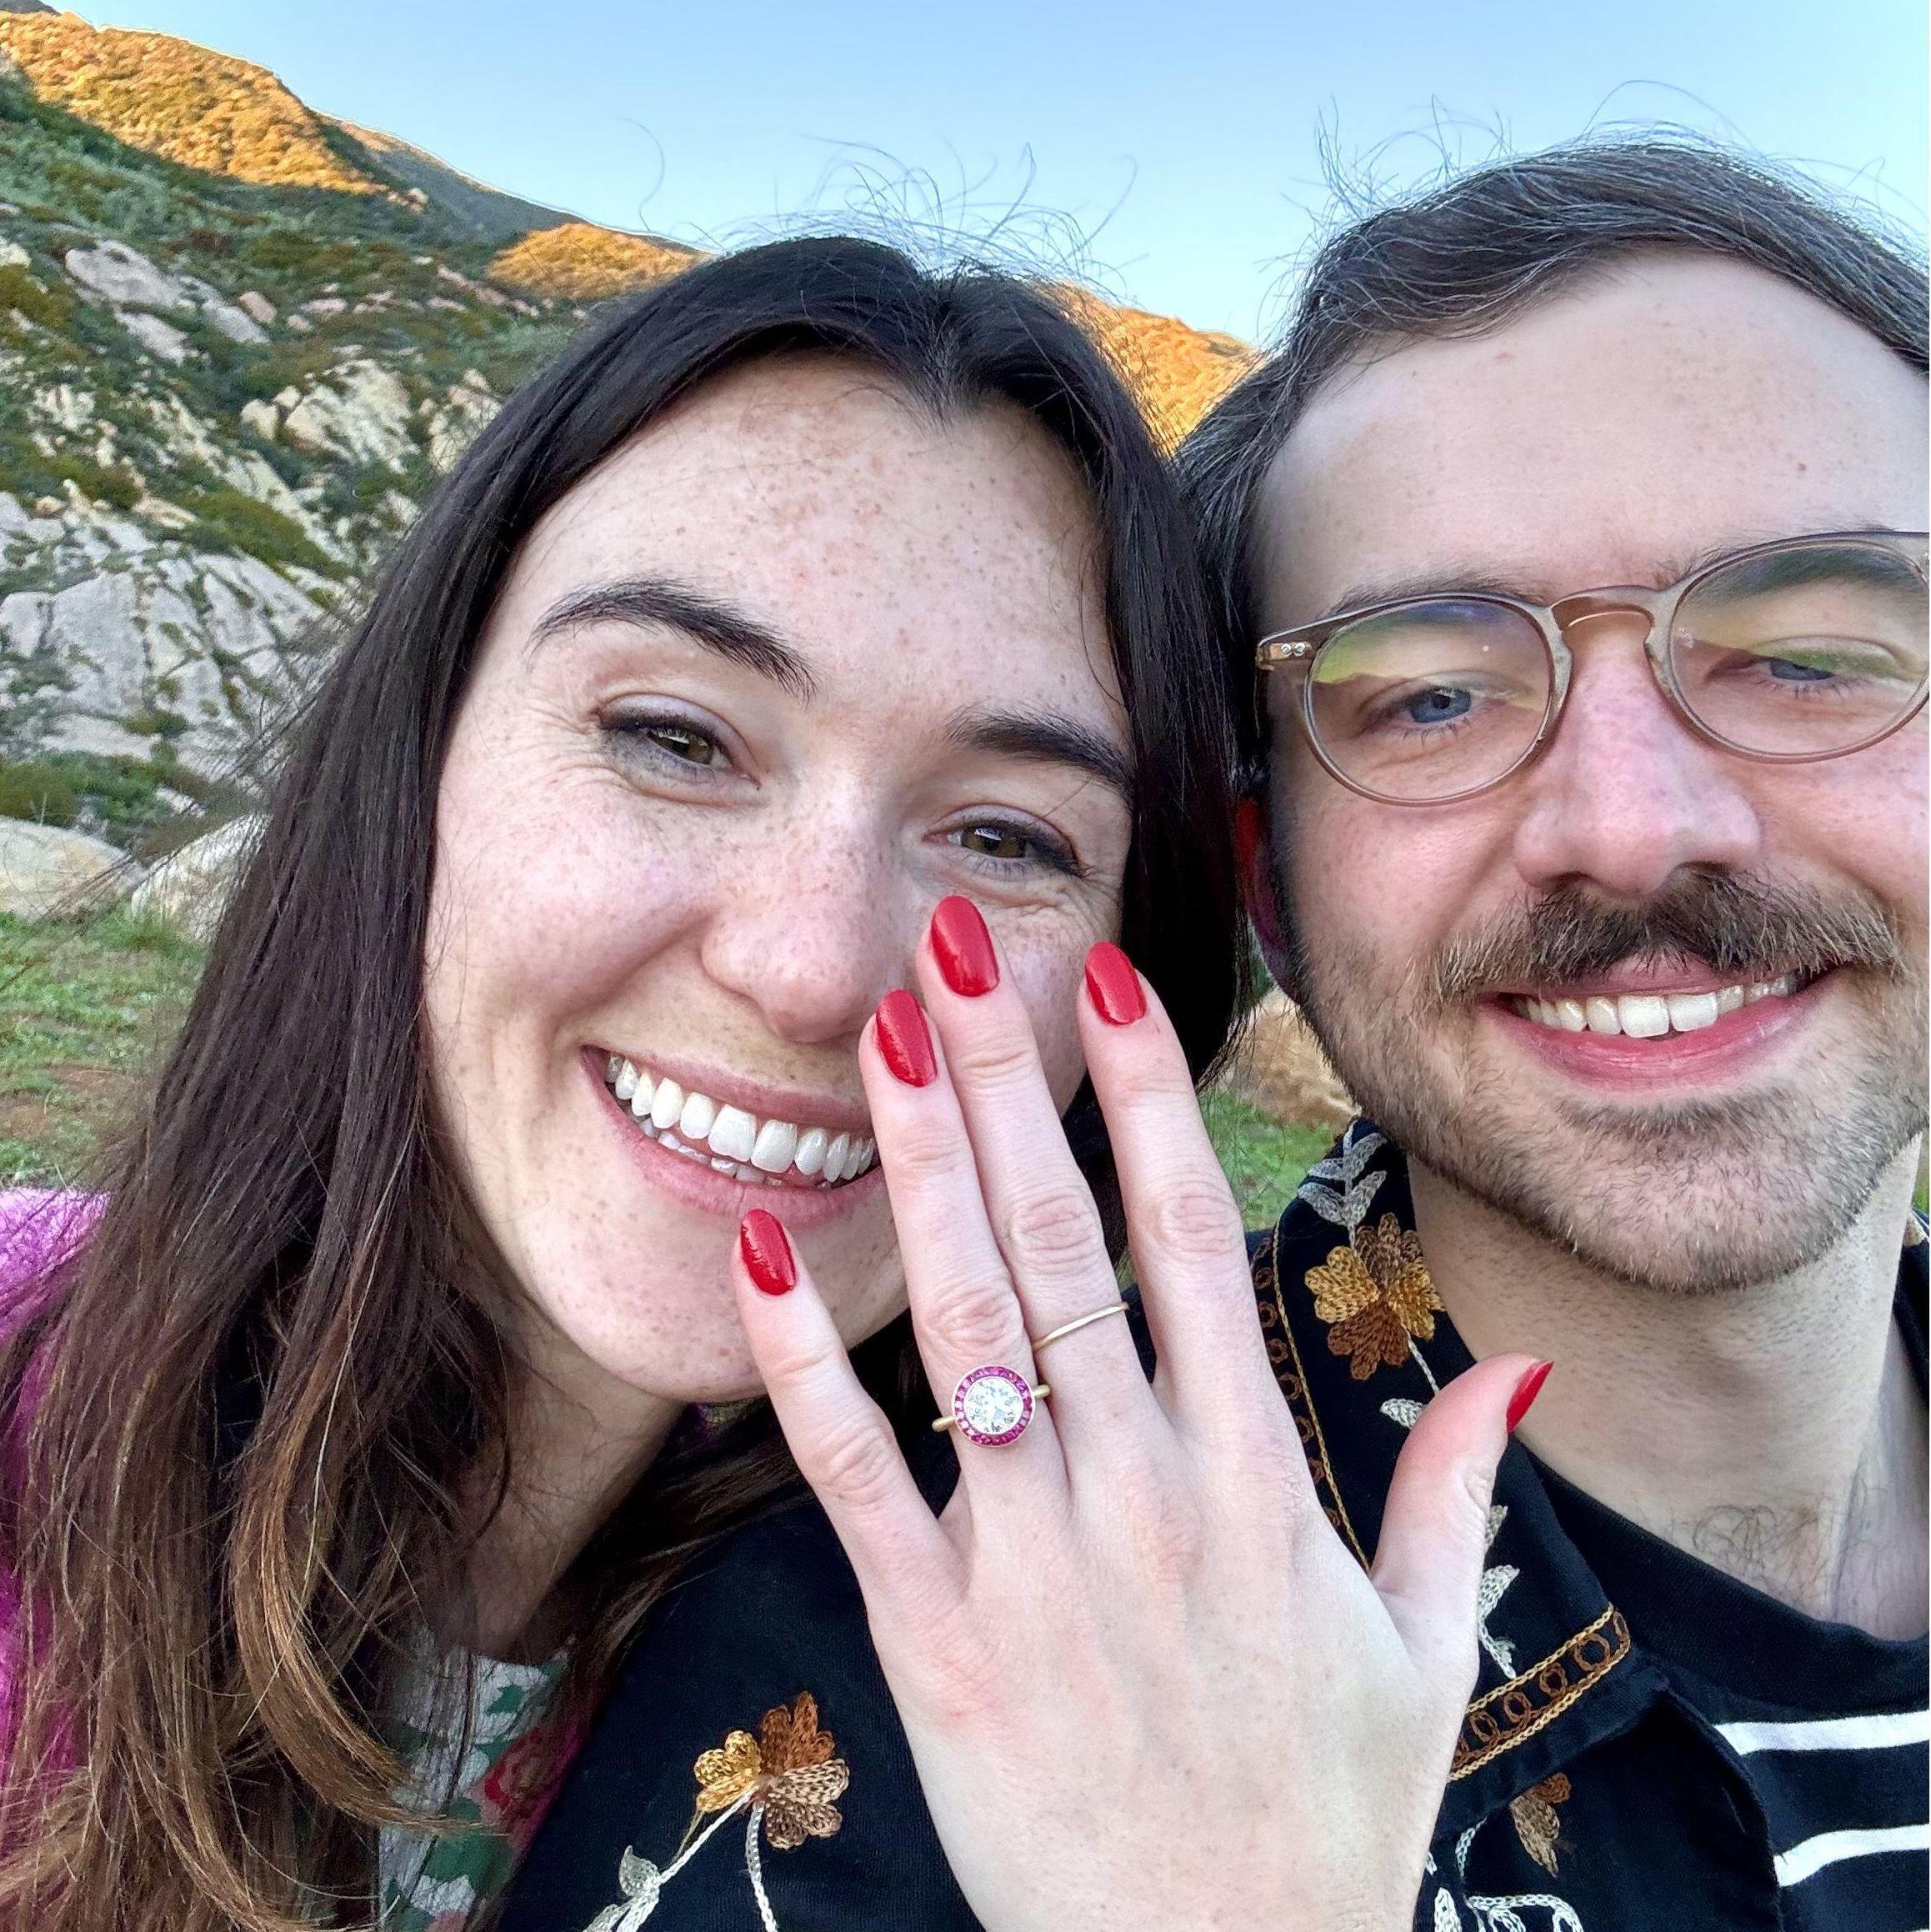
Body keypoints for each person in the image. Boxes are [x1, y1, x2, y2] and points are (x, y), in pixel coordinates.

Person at [0, 236, 1530, 1932]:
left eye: (1007, 836)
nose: (808, 969)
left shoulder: (967, 1684)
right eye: (673, 733)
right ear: (418, 753)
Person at [502, 140, 1927, 1932]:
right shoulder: (908, 1677)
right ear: (1267, 880)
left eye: (1808, 650)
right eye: (1425, 694)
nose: (1635, 826)